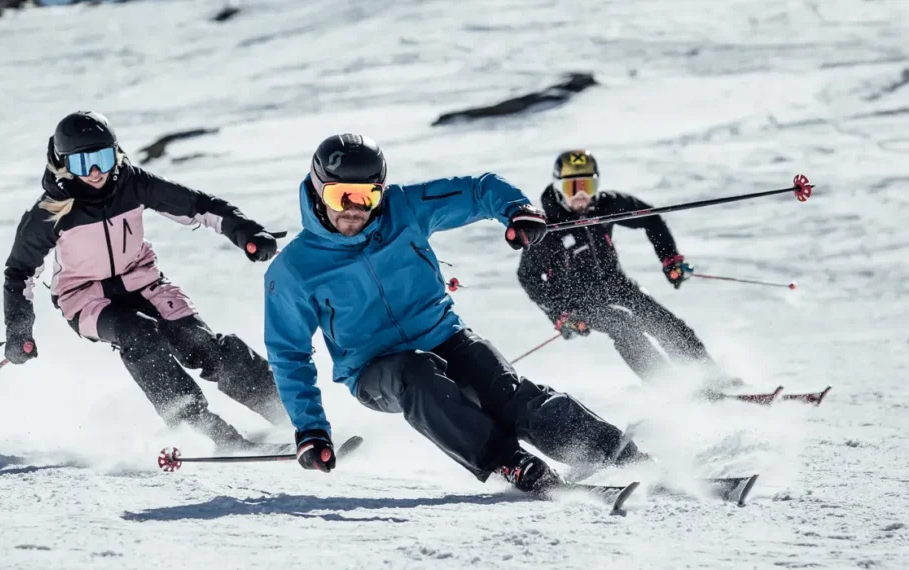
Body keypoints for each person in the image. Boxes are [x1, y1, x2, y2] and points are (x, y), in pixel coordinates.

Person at [262, 134, 647, 493]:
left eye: (367, 197)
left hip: (444, 335)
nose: (353, 209)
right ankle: (509, 463)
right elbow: (289, 354)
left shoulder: (404, 208)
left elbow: (479, 190)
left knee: (508, 395)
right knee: (418, 375)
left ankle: (614, 452)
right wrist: (310, 428)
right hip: (373, 368)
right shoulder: (295, 269)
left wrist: (517, 211)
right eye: (340, 195)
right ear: (317, 191)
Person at [1, 111, 289, 450]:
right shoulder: (50, 211)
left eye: (103, 158)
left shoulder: (131, 183)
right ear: (63, 164)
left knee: (200, 343)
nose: (96, 172)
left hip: (142, 281)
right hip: (85, 299)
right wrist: (19, 333)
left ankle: (291, 414)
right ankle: (205, 430)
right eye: (83, 164)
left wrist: (247, 233)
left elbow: (198, 206)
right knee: (138, 335)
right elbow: (19, 272)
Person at [516, 150, 731, 386]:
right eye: (572, 187)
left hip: (616, 285)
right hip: (579, 301)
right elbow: (528, 275)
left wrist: (669, 259)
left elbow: (651, 218)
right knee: (623, 325)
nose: (580, 195)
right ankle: (672, 387)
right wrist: (559, 312)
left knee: (661, 321)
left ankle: (712, 378)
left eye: (587, 185)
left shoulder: (606, 205)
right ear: (558, 188)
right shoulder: (547, 227)